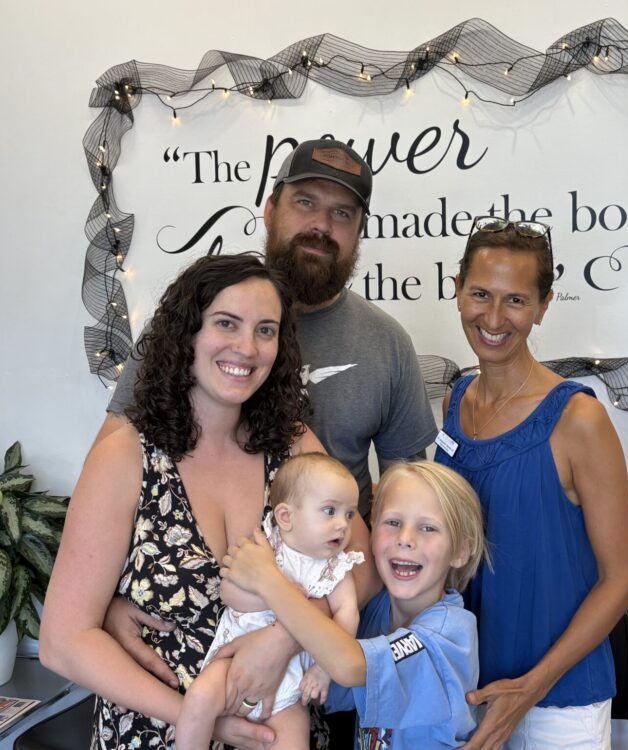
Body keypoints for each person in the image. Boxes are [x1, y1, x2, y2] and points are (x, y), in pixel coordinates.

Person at [98, 138, 436, 747]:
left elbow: (390, 536)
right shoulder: (186, 326)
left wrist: (288, 633)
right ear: (271, 208)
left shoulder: (383, 348)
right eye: (306, 202)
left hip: (312, 659)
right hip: (168, 689)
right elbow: (115, 489)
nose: (321, 225)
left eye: (342, 213)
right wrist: (106, 602)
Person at [39, 254, 349, 749]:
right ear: (187, 333)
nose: (246, 347)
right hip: (153, 733)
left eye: (265, 331)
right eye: (226, 323)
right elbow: (63, 642)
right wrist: (198, 719)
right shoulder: (125, 456)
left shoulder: (293, 447)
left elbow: (360, 569)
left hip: (278, 731)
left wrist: (284, 638)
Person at [435, 217, 628, 750]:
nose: (493, 318)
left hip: (559, 703)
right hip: (467, 689)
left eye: (516, 300)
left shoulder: (578, 419)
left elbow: (621, 580)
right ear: (457, 291)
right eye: (480, 294)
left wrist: (530, 688)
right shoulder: (455, 401)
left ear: (544, 306)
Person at [221, 461, 490, 750]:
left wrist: (268, 580)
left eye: (428, 528)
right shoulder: (374, 613)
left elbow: (350, 666)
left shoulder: (449, 631)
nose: (405, 539)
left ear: (460, 551)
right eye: (393, 523)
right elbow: (321, 682)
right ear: (372, 531)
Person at [176, 453, 364, 750]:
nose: (342, 524)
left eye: (350, 514)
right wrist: (277, 596)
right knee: (198, 700)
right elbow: (228, 593)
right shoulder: (264, 548)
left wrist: (323, 670)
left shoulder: (336, 568)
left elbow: (347, 613)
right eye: (330, 511)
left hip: (291, 687)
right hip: (232, 663)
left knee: (292, 741)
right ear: (286, 517)